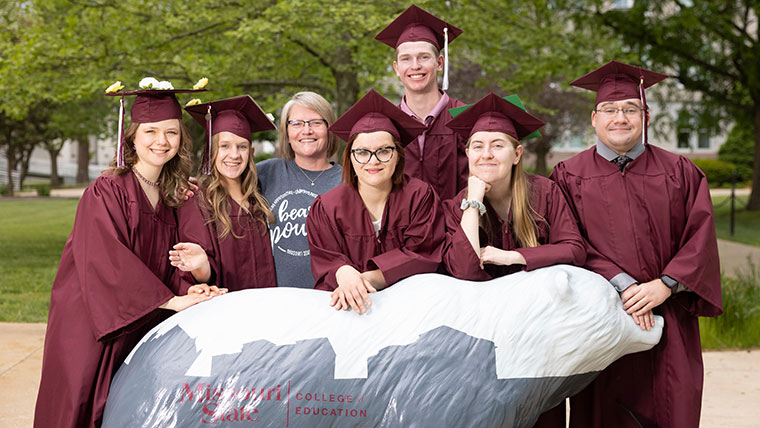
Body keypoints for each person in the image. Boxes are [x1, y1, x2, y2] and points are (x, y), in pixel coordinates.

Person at [34, 80, 221, 428]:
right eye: (150, 131)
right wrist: (171, 301)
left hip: (139, 318)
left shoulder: (173, 196)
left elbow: (173, 262)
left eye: (171, 132)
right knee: (82, 400)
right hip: (92, 320)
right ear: (132, 137)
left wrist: (191, 286)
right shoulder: (107, 190)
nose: (161, 141)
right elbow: (105, 261)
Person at [548, 61, 723, 428]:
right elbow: (568, 241)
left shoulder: (681, 171)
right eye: (610, 110)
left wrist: (665, 285)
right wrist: (624, 286)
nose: (620, 118)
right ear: (593, 119)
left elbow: (701, 237)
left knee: (671, 406)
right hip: (602, 316)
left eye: (630, 109)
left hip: (669, 316)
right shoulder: (567, 176)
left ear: (645, 116)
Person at [306, 89, 445, 314]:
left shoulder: (420, 197)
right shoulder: (327, 208)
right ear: (350, 157)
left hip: (413, 311)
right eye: (362, 152)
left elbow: (424, 254)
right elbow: (326, 258)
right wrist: (342, 271)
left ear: (398, 155)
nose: (373, 161)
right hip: (350, 316)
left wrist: (361, 280)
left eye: (383, 151)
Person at [442, 92, 585, 279]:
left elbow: (574, 250)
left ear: (517, 154)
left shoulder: (545, 192)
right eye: (478, 146)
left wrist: (513, 257)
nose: (486, 154)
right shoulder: (457, 207)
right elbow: (464, 270)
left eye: (497, 146)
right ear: (468, 154)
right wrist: (473, 203)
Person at [169, 95, 278, 291]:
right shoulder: (197, 201)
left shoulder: (258, 201)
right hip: (223, 313)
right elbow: (196, 275)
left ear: (251, 152)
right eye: (225, 146)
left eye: (242, 147)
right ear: (212, 151)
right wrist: (201, 265)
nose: (234, 155)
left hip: (265, 310)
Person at [375, 4, 468, 200]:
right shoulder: (386, 125)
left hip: (458, 227)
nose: (415, 66)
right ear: (396, 68)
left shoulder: (464, 118)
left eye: (424, 57)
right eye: (406, 59)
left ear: (440, 63)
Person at [257, 91, 342, 288]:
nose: (306, 130)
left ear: (329, 128)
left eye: (316, 123)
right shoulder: (266, 173)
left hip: (330, 299)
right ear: (286, 132)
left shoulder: (348, 179)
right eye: (297, 123)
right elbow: (224, 186)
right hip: (277, 298)